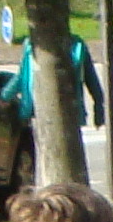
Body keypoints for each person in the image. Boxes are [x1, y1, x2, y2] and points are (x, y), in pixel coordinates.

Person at [6, 30, 105, 186]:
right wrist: (5, 95)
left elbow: (90, 78)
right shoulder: (30, 45)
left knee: (69, 156)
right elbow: (22, 75)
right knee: (42, 158)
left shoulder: (77, 46)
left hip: (71, 111)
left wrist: (99, 108)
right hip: (37, 111)